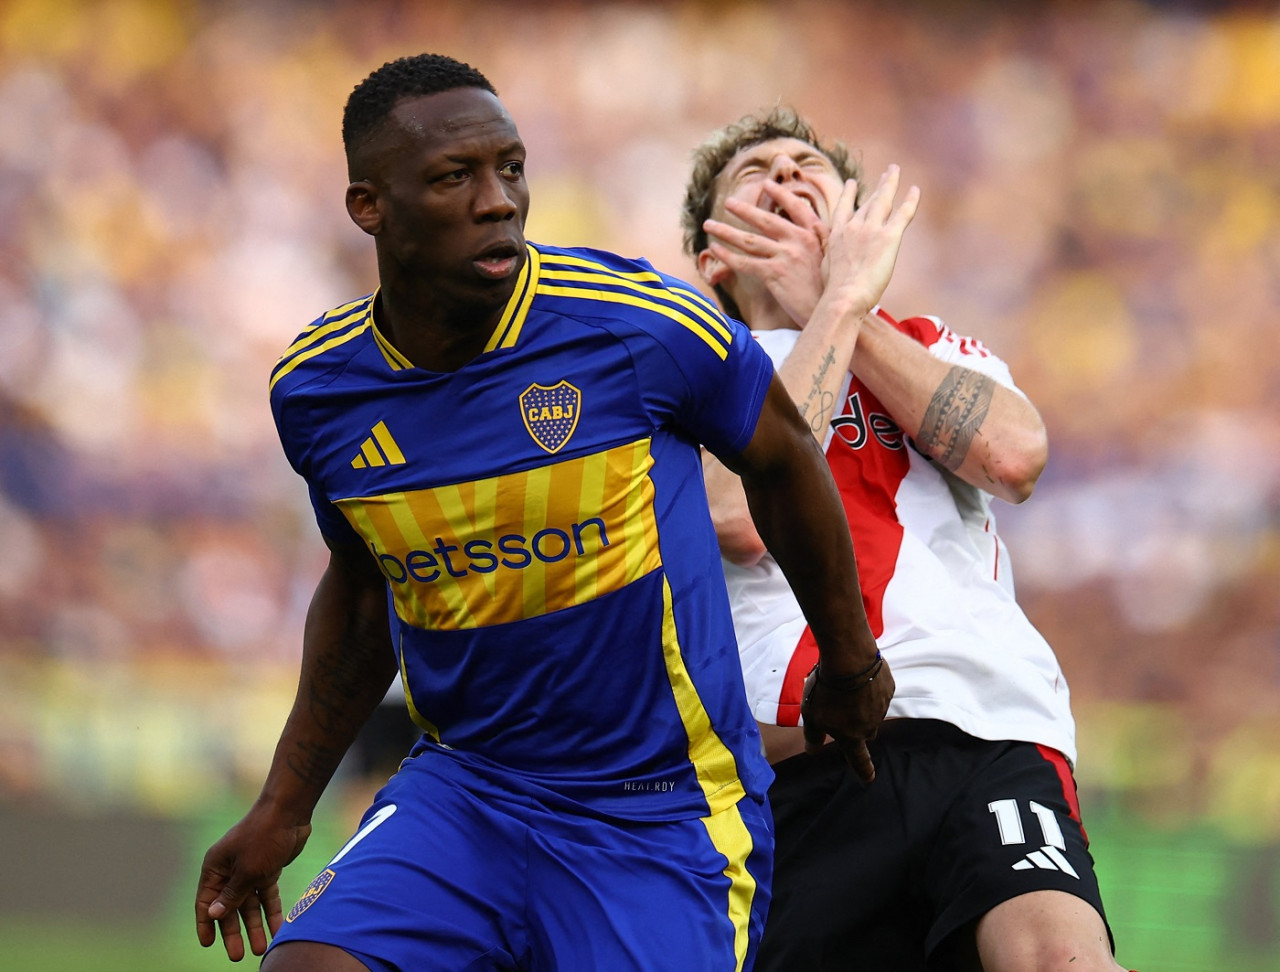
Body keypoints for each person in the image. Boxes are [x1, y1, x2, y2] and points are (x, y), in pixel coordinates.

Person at [193, 56, 913, 972]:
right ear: (368, 207)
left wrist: (850, 661)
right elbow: (364, 587)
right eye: (457, 177)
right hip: (468, 794)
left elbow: (783, 458)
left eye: (512, 168)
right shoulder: (318, 390)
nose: (500, 201)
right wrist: (284, 807)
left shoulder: (637, 325)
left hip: (661, 813)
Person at [682, 107, 1128, 971]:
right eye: (756, 173)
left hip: (983, 723)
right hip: (802, 753)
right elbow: (738, 517)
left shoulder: (928, 347)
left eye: (807, 165)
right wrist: (835, 306)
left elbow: (1014, 453)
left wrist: (847, 308)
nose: (784, 177)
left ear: (853, 221)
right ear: (713, 254)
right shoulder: (692, 373)